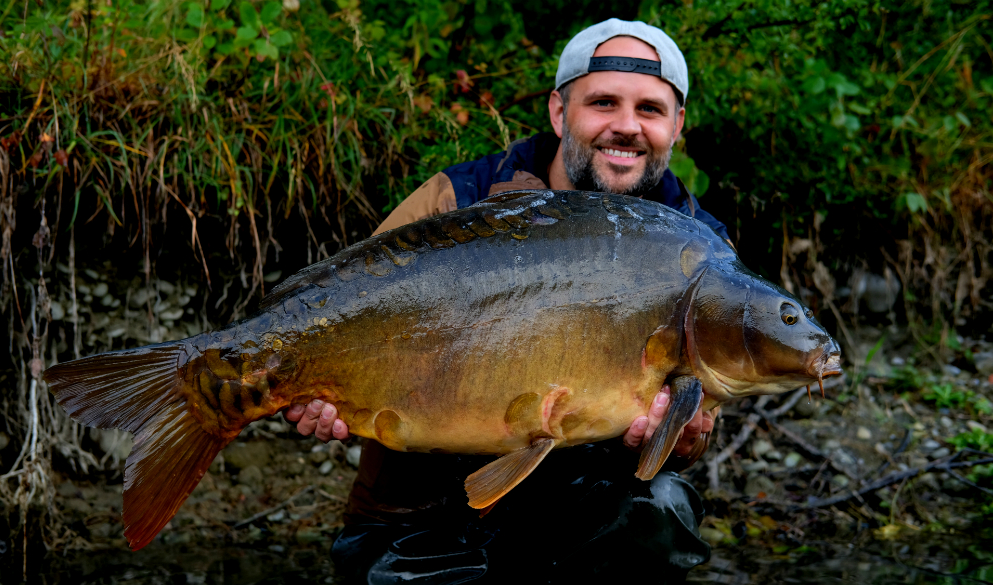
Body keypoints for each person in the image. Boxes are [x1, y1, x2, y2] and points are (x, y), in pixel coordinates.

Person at [287, 19, 723, 583]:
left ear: (676, 126)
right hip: (418, 514)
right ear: (560, 113)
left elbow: (700, 418)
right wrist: (307, 384)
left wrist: (683, 437)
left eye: (650, 109)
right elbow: (343, 315)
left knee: (659, 507)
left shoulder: (704, 251)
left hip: (583, 508)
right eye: (604, 103)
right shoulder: (457, 199)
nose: (626, 126)